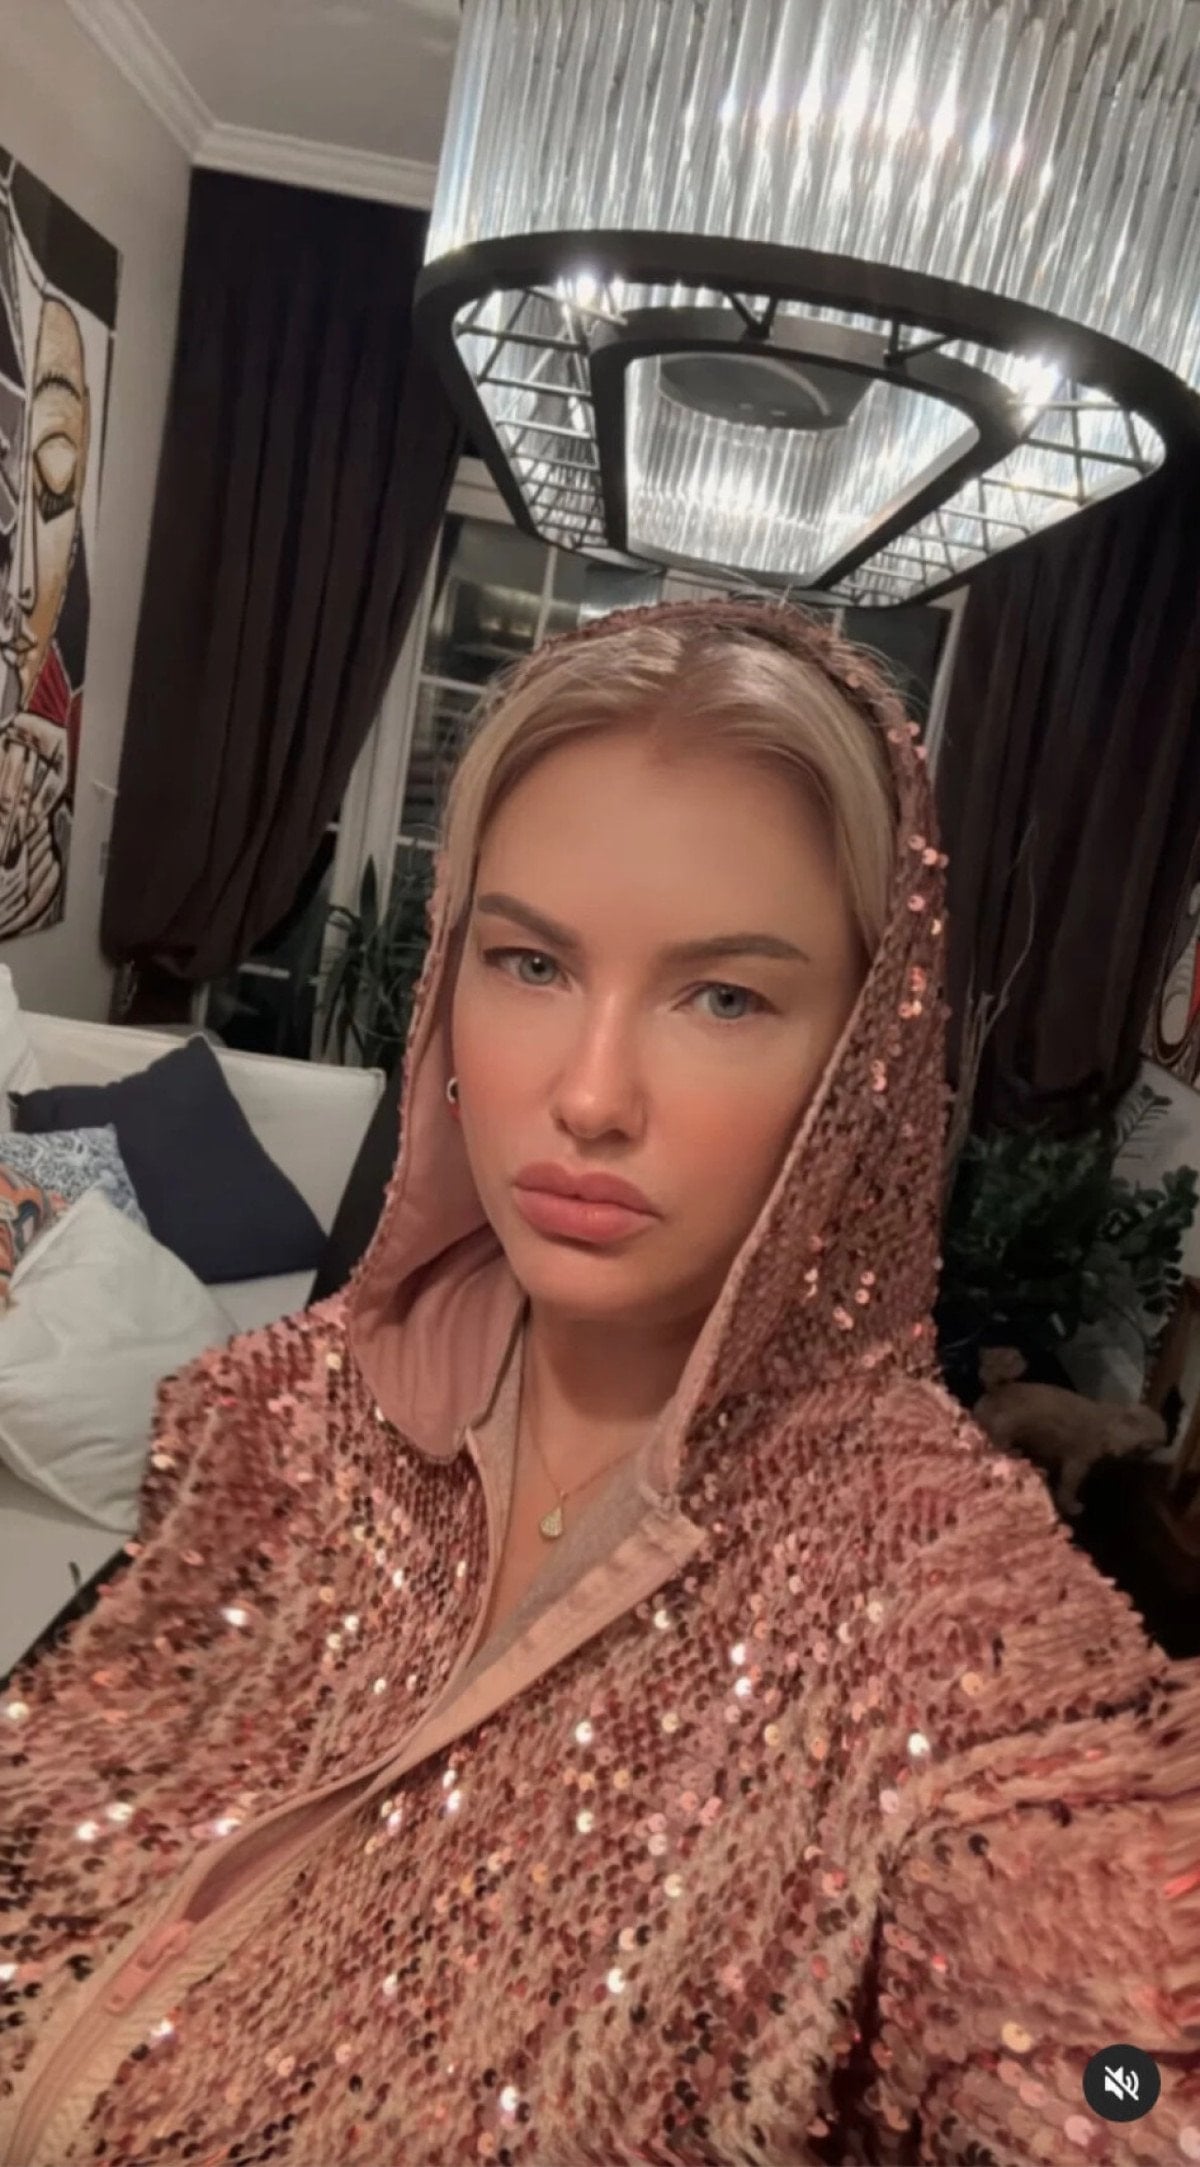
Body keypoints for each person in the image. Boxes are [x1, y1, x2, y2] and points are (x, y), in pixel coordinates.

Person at [1, 597, 1197, 2167]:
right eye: (531, 962)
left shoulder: (948, 1623)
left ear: (861, 1067)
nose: (588, 1095)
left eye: (726, 996)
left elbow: (1116, 2053)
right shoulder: (274, 1409)